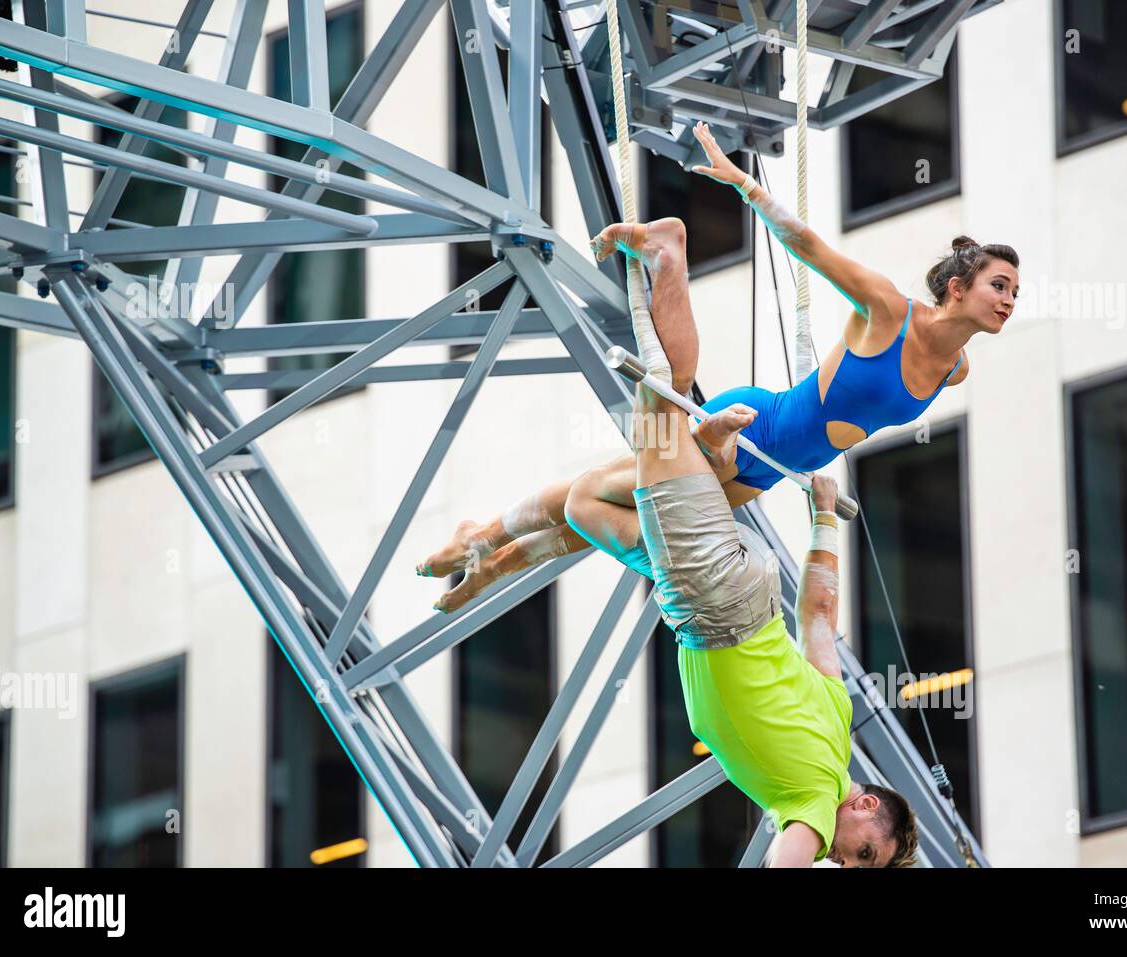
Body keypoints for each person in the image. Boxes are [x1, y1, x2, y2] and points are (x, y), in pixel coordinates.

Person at [417, 124, 1020, 612]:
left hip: (768, 471)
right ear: (958, 287)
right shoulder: (889, 311)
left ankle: (487, 552)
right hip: (749, 427)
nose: (1008, 301)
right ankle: (668, 251)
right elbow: (811, 247)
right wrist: (746, 188)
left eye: (1014, 293)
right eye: (999, 286)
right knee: (610, 480)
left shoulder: (955, 370)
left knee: (642, 513)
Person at [599, 216, 918, 867]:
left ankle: (709, 444)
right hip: (713, 605)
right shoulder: (815, 805)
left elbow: (821, 615)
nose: (841, 860)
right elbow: (785, 861)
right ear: (864, 808)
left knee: (597, 489)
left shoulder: (835, 719)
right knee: (660, 407)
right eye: (863, 855)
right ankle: (669, 251)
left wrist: (825, 517)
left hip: (738, 595)